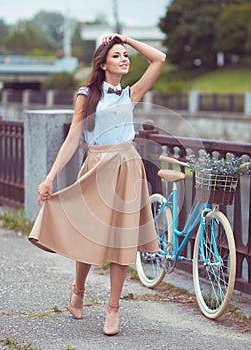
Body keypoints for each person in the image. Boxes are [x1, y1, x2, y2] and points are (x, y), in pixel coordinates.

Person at [28, 33, 166, 336]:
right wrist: (49, 177)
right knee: (89, 233)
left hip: (127, 168)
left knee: (122, 241)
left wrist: (127, 40)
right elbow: (73, 138)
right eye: (117, 55)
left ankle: (113, 308)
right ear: (102, 63)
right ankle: (78, 288)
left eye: (125, 55)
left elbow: (159, 59)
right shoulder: (87, 95)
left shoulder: (131, 94)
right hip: (95, 167)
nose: (124, 59)